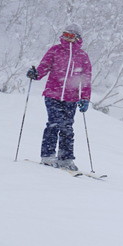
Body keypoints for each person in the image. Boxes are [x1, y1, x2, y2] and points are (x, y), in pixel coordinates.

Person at [26, 24, 92, 171]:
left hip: (71, 98)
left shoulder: (82, 56)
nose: (66, 39)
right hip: (53, 94)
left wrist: (85, 98)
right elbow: (44, 67)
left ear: (77, 38)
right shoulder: (55, 50)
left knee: (67, 127)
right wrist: (35, 74)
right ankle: (48, 156)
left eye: (69, 36)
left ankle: (65, 159)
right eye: (64, 35)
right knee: (54, 123)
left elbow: (86, 79)